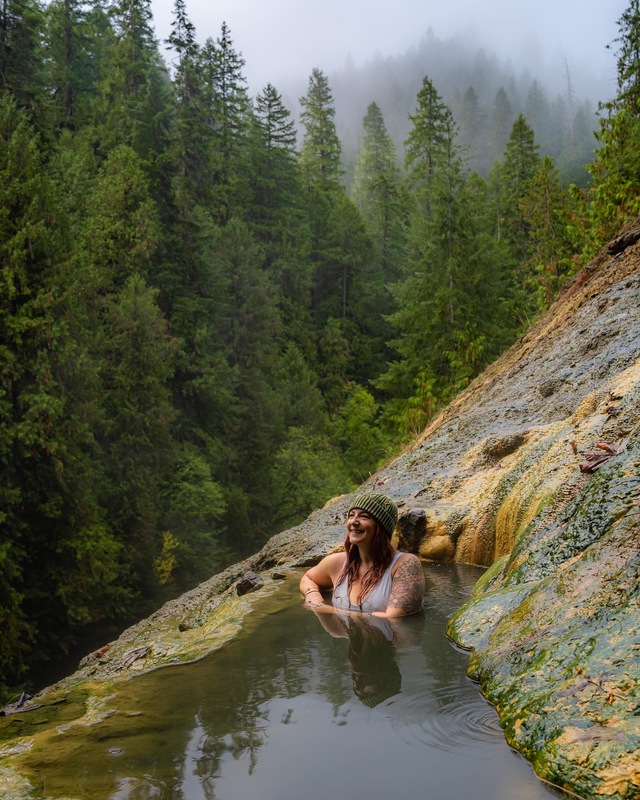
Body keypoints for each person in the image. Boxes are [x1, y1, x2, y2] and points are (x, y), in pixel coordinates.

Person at [299, 492, 425, 618]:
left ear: (381, 527)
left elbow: (393, 619)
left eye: (364, 517)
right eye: (351, 515)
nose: (353, 521)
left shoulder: (406, 564)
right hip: (348, 635)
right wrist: (313, 596)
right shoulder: (337, 562)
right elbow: (308, 578)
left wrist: (326, 609)